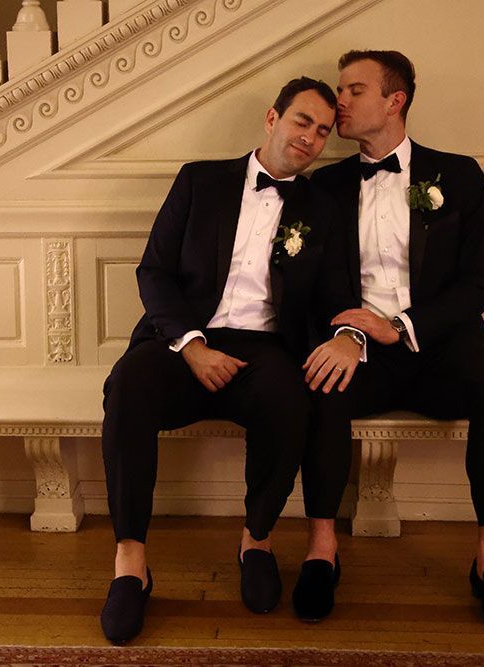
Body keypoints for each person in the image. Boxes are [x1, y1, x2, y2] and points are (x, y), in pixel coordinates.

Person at [99, 77, 362, 643]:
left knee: (290, 399)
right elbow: (154, 271)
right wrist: (192, 346)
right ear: (272, 118)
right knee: (127, 387)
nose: (311, 137)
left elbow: (334, 292)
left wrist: (347, 336)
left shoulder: (322, 207)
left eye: (322, 131)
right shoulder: (200, 180)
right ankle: (131, 561)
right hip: (182, 338)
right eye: (302, 121)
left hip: (266, 346)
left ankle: (256, 540)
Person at [297, 50, 484, 633]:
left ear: (394, 101)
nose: (339, 101)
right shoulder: (324, 186)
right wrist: (350, 333)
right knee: (320, 384)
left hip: (439, 344)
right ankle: (322, 549)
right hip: (360, 347)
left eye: (354, 90)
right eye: (340, 90)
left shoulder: (460, 175)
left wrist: (400, 326)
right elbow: (314, 281)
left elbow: (478, 284)